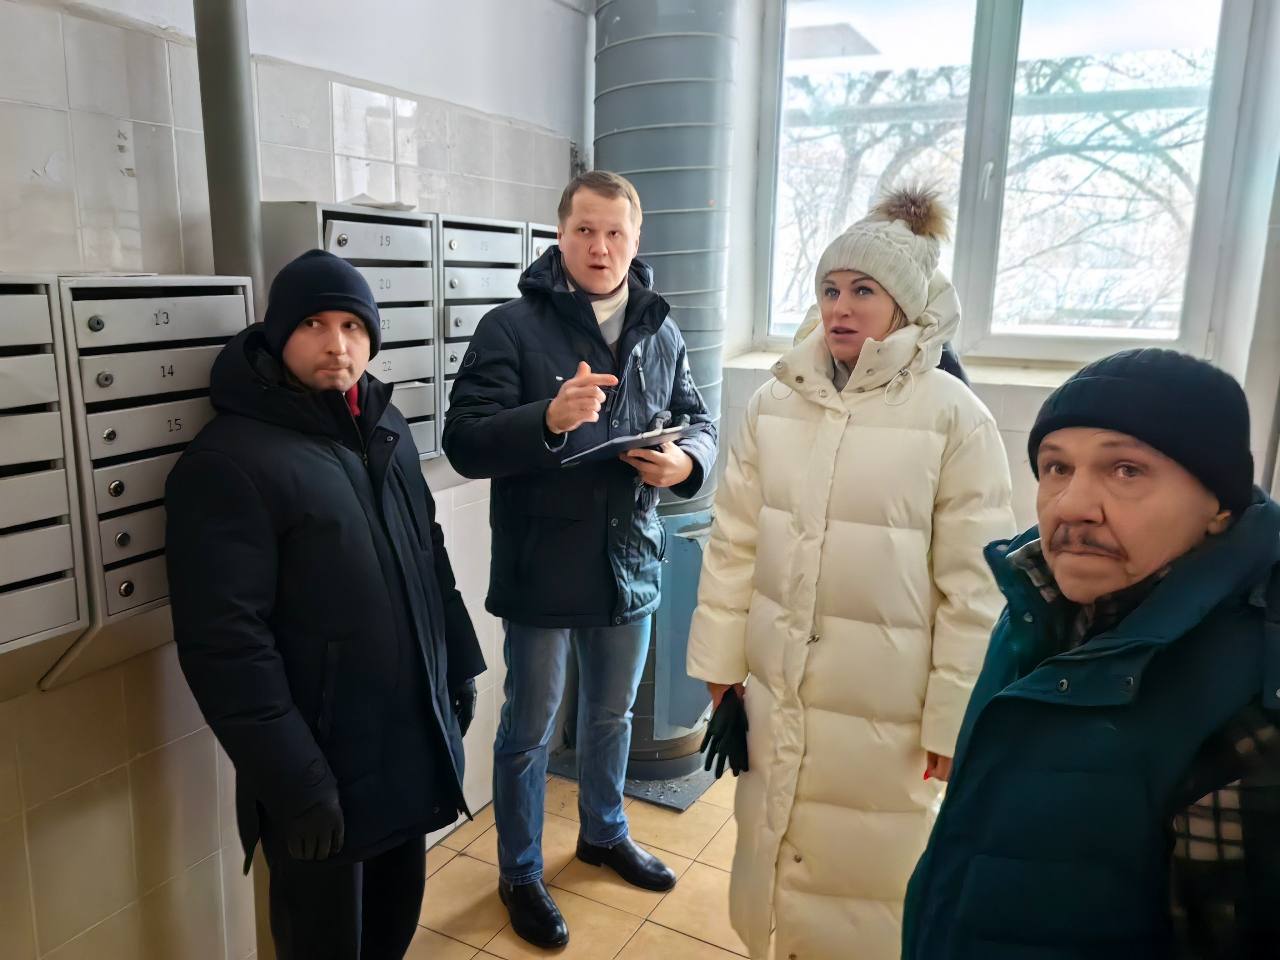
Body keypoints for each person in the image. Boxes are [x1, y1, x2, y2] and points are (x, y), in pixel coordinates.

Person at [686, 185, 1015, 960]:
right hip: (778, 686)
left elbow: (974, 589)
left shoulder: (953, 417)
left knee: (872, 878)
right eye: (830, 289)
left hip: (887, 706)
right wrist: (720, 666)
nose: (841, 307)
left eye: (863, 290)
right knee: (777, 840)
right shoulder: (775, 403)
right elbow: (734, 543)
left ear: (904, 306)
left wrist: (952, 718)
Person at [903, 348, 1280, 959]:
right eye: (1056, 467)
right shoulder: (1038, 602)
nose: (1071, 505)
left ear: (1220, 505)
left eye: (1126, 470)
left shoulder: (1252, 701)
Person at [165, 250, 485, 960]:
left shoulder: (386, 427)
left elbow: (427, 553)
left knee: (392, 933)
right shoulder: (230, 462)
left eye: (352, 325)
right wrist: (295, 783)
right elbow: (226, 648)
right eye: (313, 324)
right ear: (279, 334)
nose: (337, 344)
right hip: (321, 777)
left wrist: (457, 669)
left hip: (406, 751)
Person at [442, 171, 718, 949]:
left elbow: (698, 420)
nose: (600, 247)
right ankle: (520, 872)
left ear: (636, 239)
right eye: (585, 231)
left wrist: (686, 464)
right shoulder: (509, 329)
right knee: (529, 728)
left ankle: (603, 832)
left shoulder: (660, 327)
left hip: (629, 557)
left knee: (611, 716)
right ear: (559, 237)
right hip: (541, 562)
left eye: (615, 232)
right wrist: (548, 419)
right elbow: (464, 442)